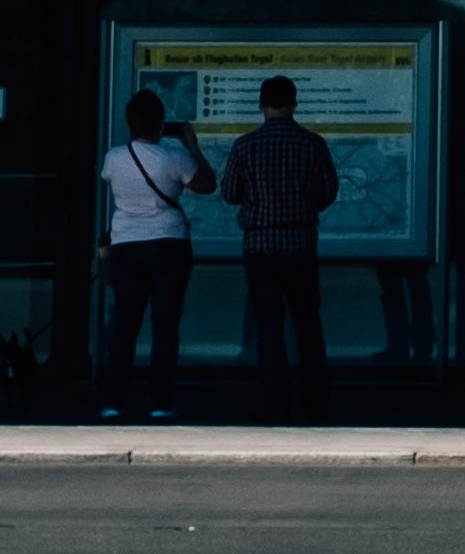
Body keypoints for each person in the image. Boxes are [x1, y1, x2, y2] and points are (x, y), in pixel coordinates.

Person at [223, 73, 340, 418]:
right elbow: (329, 191)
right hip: (301, 243)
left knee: (269, 327)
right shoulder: (312, 144)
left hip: (260, 246)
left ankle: (276, 401)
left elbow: (229, 193)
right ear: (293, 104)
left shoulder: (245, 146)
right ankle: (314, 401)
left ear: (261, 106)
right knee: (308, 323)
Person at [97, 85, 212, 419]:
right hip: (168, 245)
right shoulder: (175, 157)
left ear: (129, 122)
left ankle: (113, 402)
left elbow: (111, 181)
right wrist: (192, 145)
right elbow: (207, 184)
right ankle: (161, 403)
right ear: (162, 123)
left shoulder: (114, 158)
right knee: (164, 327)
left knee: (124, 326)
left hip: (126, 247)